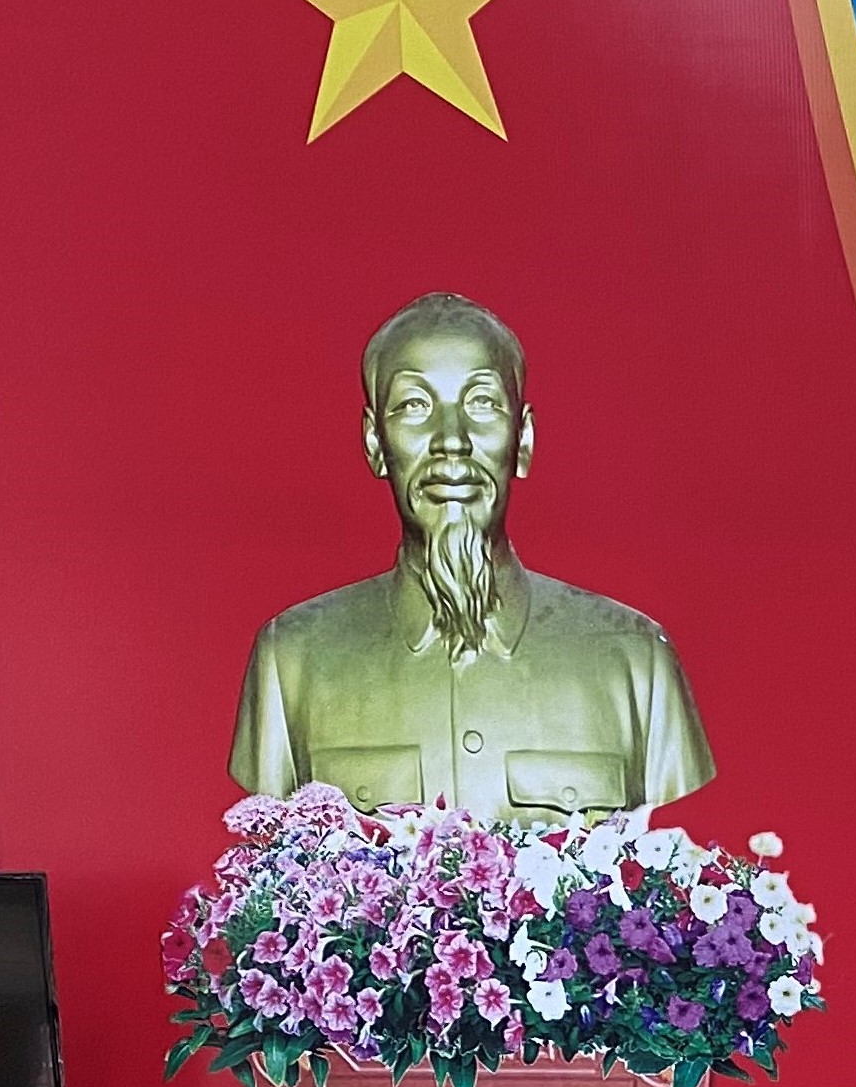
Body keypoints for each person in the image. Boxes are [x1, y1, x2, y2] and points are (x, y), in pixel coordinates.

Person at [230, 291, 716, 820]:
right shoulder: (292, 658)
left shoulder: (636, 660)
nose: (452, 441)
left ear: (522, 439)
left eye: (482, 403)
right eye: (414, 406)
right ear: (374, 442)